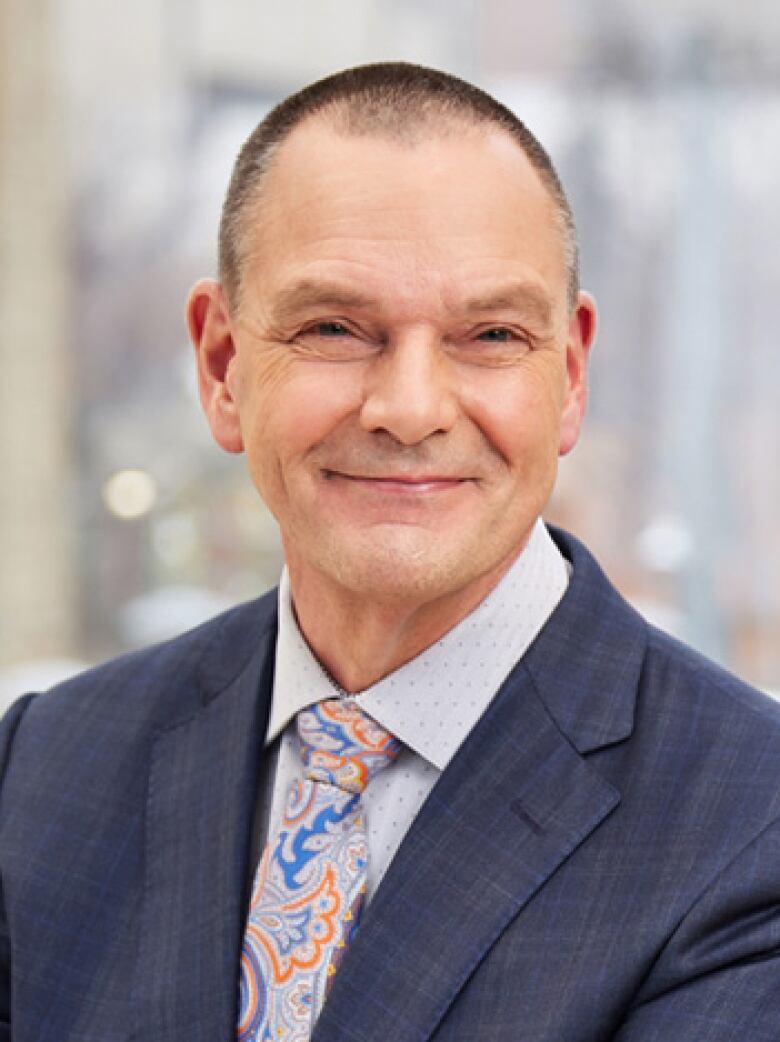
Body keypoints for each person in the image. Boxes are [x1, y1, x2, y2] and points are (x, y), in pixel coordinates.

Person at [2, 62, 780, 1042]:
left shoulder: (754, 823)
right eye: (334, 327)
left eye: (490, 334)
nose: (410, 409)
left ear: (570, 377)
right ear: (221, 366)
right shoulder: (43, 769)